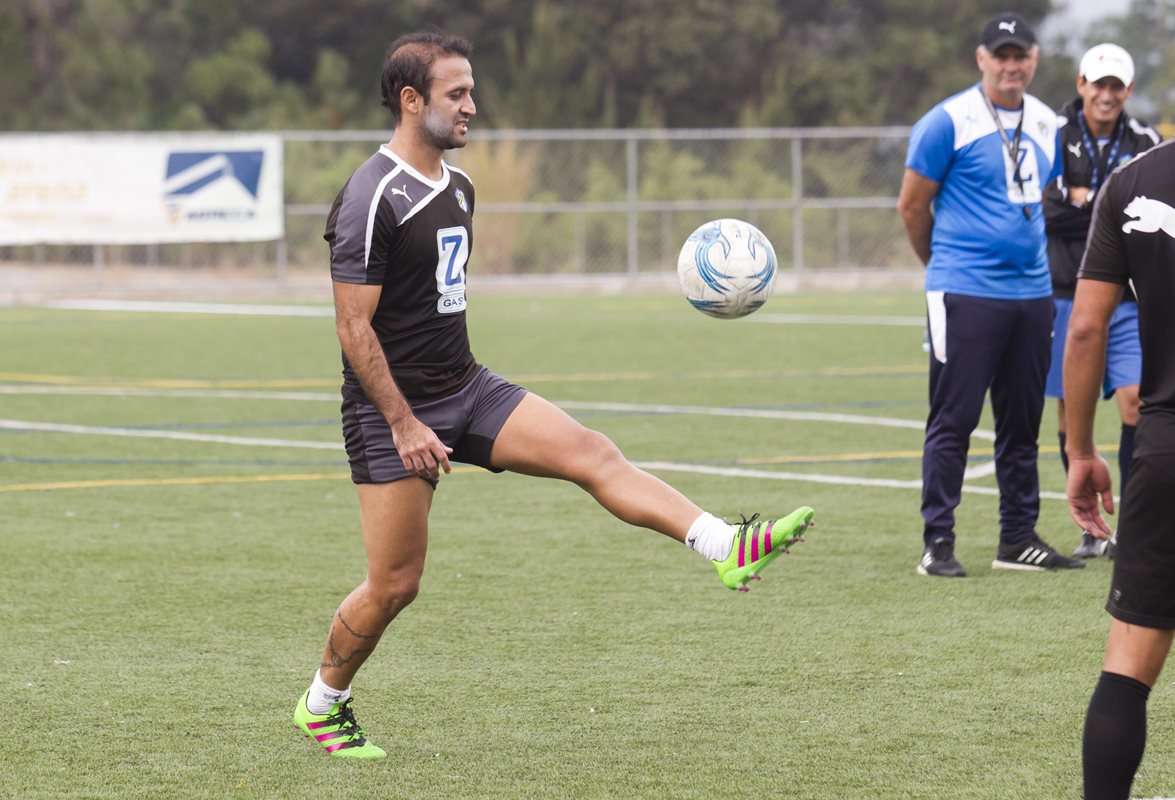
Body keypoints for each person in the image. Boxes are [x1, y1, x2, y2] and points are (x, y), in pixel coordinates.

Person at [291, 31, 816, 759]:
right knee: (395, 585)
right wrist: (405, 423)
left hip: (467, 387)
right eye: (457, 94)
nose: (473, 105)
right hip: (392, 416)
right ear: (411, 102)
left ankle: (726, 543)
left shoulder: (461, 187)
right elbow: (353, 328)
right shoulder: (371, 194)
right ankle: (324, 703)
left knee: (592, 453)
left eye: (471, 90)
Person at [1065, 13, 1175, 798]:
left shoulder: (1135, 179)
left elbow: (1085, 329)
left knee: (1128, 670)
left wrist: (1082, 451)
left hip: (1170, 450)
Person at [897, 12, 1079, 577]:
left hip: (1031, 294)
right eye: (1000, 54)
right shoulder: (947, 121)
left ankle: (1018, 538)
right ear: (981, 59)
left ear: (1034, 59)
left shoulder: (1049, 123)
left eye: (1020, 54)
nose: (1010, 65)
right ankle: (939, 543)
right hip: (964, 290)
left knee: (1022, 422)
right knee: (953, 420)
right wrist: (944, 270)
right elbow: (910, 205)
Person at [1043, 43, 1160, 559]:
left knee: (1137, 401)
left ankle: (1130, 524)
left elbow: (1151, 213)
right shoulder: (1053, 136)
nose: (1106, 95)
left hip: (1131, 299)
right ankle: (1090, 527)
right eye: (1099, 85)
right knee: (1074, 411)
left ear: (1128, 91)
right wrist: (1110, 211)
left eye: (1117, 86)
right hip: (1070, 294)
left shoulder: (1147, 141)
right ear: (1081, 86)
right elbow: (1046, 214)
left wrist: (1085, 203)